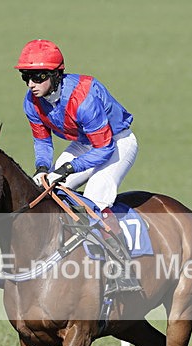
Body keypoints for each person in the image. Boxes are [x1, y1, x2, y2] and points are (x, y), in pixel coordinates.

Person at [15, 39, 140, 291]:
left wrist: (68, 169)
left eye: (38, 77)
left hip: (116, 142)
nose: (31, 84)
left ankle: (122, 269)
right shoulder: (32, 102)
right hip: (85, 143)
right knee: (46, 191)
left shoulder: (83, 99)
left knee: (95, 195)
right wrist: (42, 168)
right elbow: (42, 141)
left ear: (55, 75)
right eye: (26, 76)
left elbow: (104, 148)